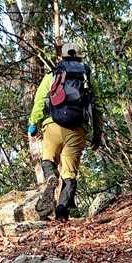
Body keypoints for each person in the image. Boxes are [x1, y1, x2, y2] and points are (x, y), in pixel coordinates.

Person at [26, 42, 101, 220]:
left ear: (62, 56)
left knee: (48, 159)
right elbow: (96, 106)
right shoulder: (87, 76)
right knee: (69, 174)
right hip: (77, 129)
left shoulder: (52, 75)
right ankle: (62, 212)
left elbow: (40, 101)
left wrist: (33, 123)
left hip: (53, 125)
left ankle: (51, 176)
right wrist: (98, 132)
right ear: (80, 56)